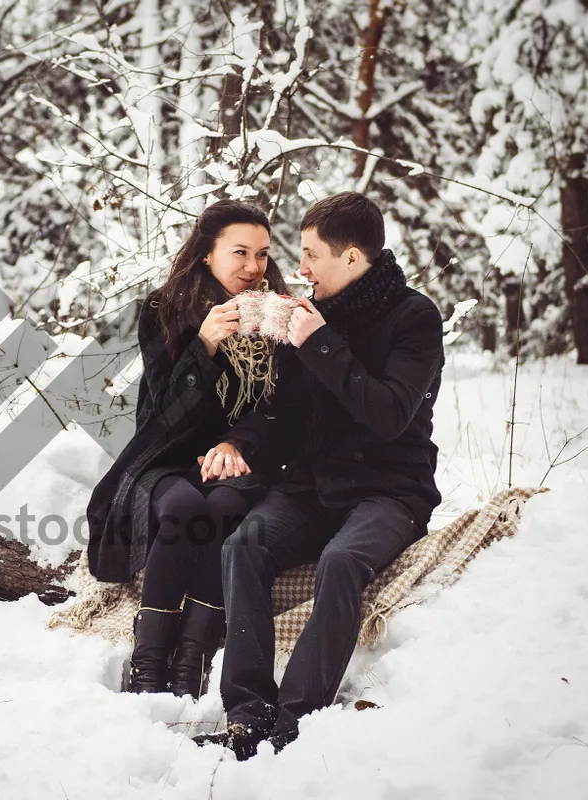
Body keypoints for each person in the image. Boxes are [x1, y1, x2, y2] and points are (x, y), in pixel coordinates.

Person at [192, 191, 445, 758]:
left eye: (311, 256)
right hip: (312, 488)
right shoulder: (310, 313)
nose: (299, 269)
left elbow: (389, 415)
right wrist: (234, 440)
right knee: (245, 545)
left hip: (389, 490)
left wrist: (319, 344)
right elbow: (280, 410)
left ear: (353, 258)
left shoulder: (415, 318)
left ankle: (295, 719)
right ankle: (247, 712)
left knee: (341, 561)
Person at [86, 199, 294, 699]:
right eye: (239, 252)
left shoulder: (279, 313)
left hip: (242, 458)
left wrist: (234, 441)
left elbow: (282, 406)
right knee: (183, 508)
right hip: (167, 453)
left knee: (222, 508)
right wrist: (203, 347)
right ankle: (150, 658)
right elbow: (163, 411)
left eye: (262, 254)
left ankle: (193, 659)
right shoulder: (164, 309)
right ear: (206, 253)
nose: (252, 267)